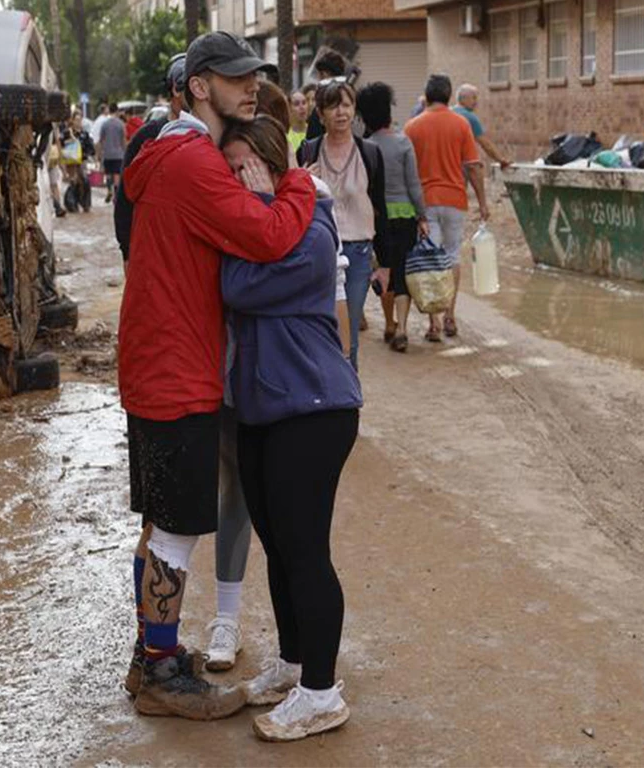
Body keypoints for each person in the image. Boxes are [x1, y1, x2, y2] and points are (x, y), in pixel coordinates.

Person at [119, 31, 317, 720]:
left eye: (254, 76)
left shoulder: (163, 152)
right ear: (200, 86)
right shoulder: (194, 161)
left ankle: (154, 658)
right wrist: (296, 183)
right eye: (236, 79)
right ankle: (165, 676)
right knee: (174, 530)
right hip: (178, 367)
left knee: (158, 523)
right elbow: (267, 238)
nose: (251, 87)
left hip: (154, 361)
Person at [218, 115, 363, 741]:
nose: (234, 178)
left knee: (305, 552)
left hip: (315, 409)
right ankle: (295, 665)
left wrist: (255, 208)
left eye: (244, 165)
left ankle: (322, 692)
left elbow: (237, 285)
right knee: (279, 546)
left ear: (273, 166)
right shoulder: (258, 226)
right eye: (228, 169)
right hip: (264, 408)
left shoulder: (311, 228)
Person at [297, 80, 391, 369]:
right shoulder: (308, 151)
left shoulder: (370, 153)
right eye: (333, 106)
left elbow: (380, 208)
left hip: (359, 253)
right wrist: (301, 179)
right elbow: (293, 203)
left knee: (348, 326)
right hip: (319, 251)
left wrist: (385, 264)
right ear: (321, 114)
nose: (341, 112)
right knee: (319, 324)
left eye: (347, 105)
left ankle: (348, 394)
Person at [405, 74, 489, 341]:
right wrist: (483, 202)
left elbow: (406, 171)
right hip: (455, 200)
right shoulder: (462, 125)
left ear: (427, 96)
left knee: (432, 259)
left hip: (425, 202)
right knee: (452, 256)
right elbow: (473, 167)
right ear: (450, 96)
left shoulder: (412, 127)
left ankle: (434, 323)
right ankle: (451, 315)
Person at [357, 82, 429, 353]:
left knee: (383, 268)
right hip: (404, 217)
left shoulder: (364, 147)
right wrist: (422, 216)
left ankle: (388, 323)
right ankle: (402, 329)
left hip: (377, 219)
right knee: (401, 271)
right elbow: (414, 185)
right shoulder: (402, 142)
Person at [114, 53, 186, 262]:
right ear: (176, 89)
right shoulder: (146, 137)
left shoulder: (213, 133)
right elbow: (126, 198)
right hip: (155, 251)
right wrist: (127, 252)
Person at [453, 84, 512, 170]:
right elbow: (485, 144)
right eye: (473, 98)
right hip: (460, 164)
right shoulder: (470, 117)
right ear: (463, 98)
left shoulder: (449, 112)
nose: (476, 102)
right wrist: (501, 160)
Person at [304, 48, 348, 141]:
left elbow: (311, 143)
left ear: (324, 75)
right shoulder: (352, 103)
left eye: (320, 76)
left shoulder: (321, 109)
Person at [59, 110, 94, 213]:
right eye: (76, 120)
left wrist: (85, 154)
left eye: (80, 120)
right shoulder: (67, 133)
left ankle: (85, 204)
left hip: (81, 161)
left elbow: (91, 149)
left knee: (84, 181)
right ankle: (71, 204)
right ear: (72, 120)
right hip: (70, 162)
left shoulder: (85, 134)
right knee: (73, 182)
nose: (78, 122)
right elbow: (61, 145)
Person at [98, 107, 128, 204]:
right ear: (117, 111)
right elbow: (123, 140)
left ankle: (109, 190)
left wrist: (100, 153)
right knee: (116, 175)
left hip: (107, 154)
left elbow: (101, 140)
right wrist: (126, 151)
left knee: (108, 174)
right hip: (119, 154)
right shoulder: (121, 124)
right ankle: (116, 195)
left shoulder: (104, 124)